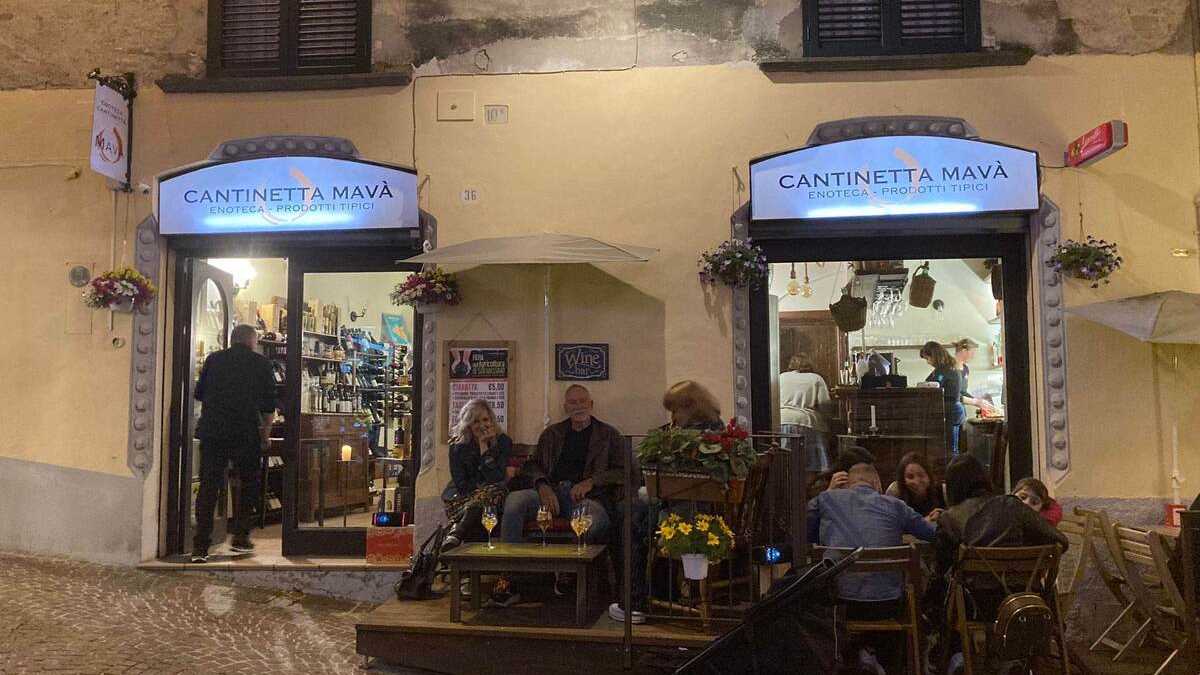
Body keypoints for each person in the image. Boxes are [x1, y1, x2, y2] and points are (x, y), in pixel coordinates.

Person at [928, 455, 1068, 671]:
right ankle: (1006, 661)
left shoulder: (950, 518)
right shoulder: (1012, 506)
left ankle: (959, 657)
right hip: (1024, 600)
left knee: (944, 591)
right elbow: (1060, 542)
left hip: (975, 607)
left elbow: (941, 567)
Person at [808, 462, 938, 674]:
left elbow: (804, 533)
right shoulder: (895, 505)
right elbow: (932, 533)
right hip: (886, 606)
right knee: (901, 591)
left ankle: (857, 656)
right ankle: (883, 661)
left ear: (847, 483)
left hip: (837, 606)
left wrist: (828, 494)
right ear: (877, 483)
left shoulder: (826, 499)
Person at [499, 385, 620, 604]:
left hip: (589, 499)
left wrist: (591, 482)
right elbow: (532, 466)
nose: (578, 406)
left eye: (583, 401)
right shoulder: (552, 434)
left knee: (589, 518)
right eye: (573, 402)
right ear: (565, 407)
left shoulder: (609, 435)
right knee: (515, 501)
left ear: (591, 405)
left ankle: (570, 575)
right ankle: (510, 580)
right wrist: (543, 486)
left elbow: (622, 471)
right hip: (552, 495)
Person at [191, 324, 277, 563]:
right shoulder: (261, 364)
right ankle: (240, 537)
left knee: (209, 487)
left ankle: (200, 546)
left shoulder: (214, 359)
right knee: (248, 485)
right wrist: (265, 434)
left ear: (232, 339)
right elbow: (268, 407)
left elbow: (199, 394)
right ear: (252, 341)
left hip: (214, 431)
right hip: (245, 432)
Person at [442, 399, 514, 551]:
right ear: (468, 425)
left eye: (485, 420)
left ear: (492, 420)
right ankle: (474, 568)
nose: (482, 425)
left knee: (491, 493)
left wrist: (484, 448)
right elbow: (462, 485)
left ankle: (457, 533)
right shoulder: (457, 447)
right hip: (462, 499)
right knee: (484, 502)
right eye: (475, 421)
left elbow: (497, 478)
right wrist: (482, 487)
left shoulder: (503, 442)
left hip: (496, 497)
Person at [779, 353, 833, 473]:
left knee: (784, 463)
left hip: (782, 421)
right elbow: (825, 404)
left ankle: (788, 490)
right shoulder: (815, 378)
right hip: (806, 422)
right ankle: (806, 490)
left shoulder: (781, 377)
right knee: (811, 465)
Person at [920, 341, 965, 456]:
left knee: (950, 450)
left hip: (950, 411)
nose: (928, 362)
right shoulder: (947, 368)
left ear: (934, 355)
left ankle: (953, 473)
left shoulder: (945, 370)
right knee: (951, 448)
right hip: (952, 410)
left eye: (928, 358)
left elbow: (933, 385)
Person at [885, 451, 946, 519]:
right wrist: (926, 521)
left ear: (929, 476)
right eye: (910, 477)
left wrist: (942, 515)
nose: (916, 481)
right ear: (903, 480)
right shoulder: (896, 495)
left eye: (921, 475)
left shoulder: (943, 492)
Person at [953, 338, 994, 412]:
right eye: (972, 353)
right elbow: (952, 395)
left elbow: (963, 392)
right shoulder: (949, 370)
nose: (973, 356)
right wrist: (975, 402)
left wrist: (979, 401)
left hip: (960, 411)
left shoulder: (965, 369)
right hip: (950, 411)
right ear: (964, 351)